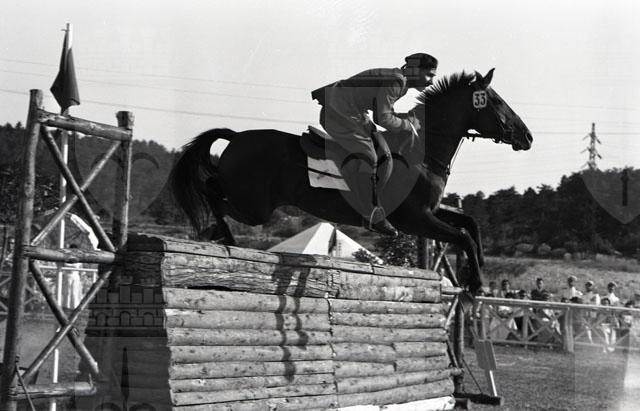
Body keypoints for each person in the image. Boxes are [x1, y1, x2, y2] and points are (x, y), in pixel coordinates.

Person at [312, 53, 438, 236]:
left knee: (383, 151)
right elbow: (383, 118)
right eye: (429, 75)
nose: (431, 82)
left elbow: (385, 112)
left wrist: (407, 122)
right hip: (339, 112)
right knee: (369, 156)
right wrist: (408, 125)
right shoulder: (396, 81)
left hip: (352, 112)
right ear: (415, 70)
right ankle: (369, 212)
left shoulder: (399, 81)